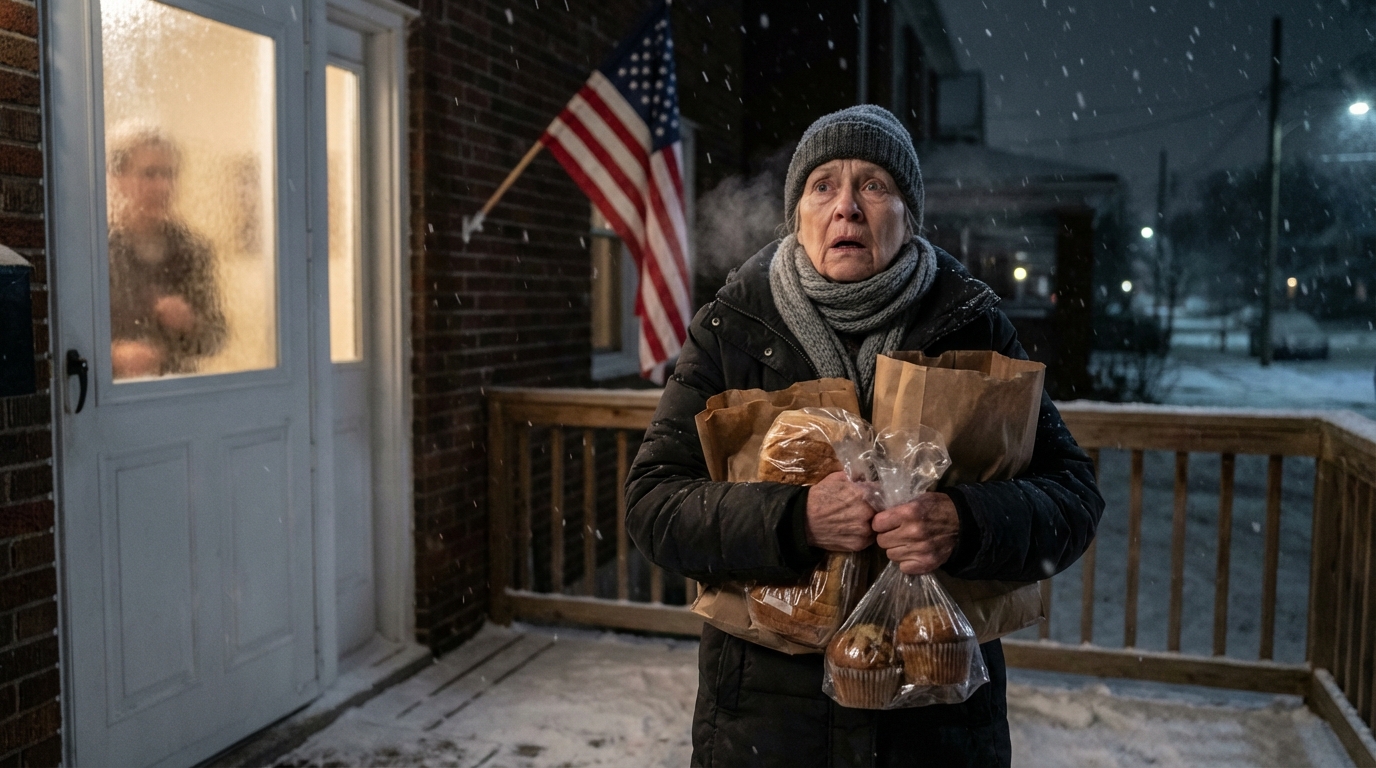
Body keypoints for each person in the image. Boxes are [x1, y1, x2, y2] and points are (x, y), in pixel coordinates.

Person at [625, 105, 1104, 767]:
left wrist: (967, 522)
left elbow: (1073, 496)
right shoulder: (730, 329)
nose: (846, 206)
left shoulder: (973, 324)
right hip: (767, 724)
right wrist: (794, 520)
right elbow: (652, 504)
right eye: (822, 186)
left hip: (936, 725)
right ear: (798, 214)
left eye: (874, 185)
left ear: (909, 215)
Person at [106, 127, 225, 379]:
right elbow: (69, 337)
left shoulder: (193, 250)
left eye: (170, 174)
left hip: (176, 390)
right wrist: (113, 356)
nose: (163, 186)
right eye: (149, 174)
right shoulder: (98, 250)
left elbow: (216, 339)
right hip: (111, 394)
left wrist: (190, 323)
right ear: (118, 179)